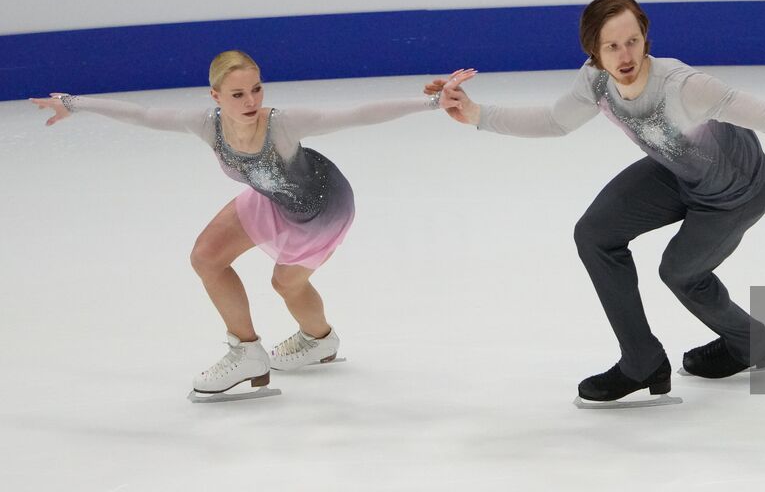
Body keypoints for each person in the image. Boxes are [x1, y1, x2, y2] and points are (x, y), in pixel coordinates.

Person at [427, 0, 765, 405]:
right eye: (612, 46)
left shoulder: (685, 86)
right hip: (678, 174)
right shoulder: (596, 82)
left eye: (633, 41)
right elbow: (555, 122)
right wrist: (476, 114)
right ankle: (641, 361)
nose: (625, 56)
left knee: (679, 270)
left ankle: (753, 342)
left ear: (646, 38)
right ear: (594, 51)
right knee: (595, 234)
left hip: (737, 192)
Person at [31, 51, 459, 399]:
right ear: (215, 96)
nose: (250, 101)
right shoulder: (205, 124)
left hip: (320, 208)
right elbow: (144, 115)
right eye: (237, 94)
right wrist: (73, 103)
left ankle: (320, 339)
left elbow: (357, 113)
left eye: (255, 89)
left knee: (285, 284)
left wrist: (431, 102)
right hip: (271, 197)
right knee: (206, 257)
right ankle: (247, 351)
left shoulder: (281, 123)